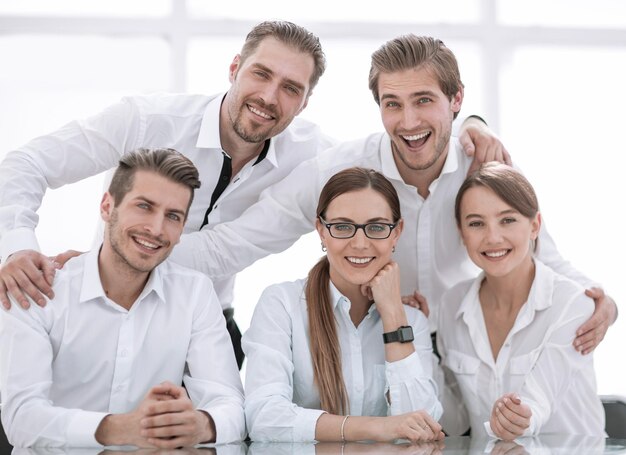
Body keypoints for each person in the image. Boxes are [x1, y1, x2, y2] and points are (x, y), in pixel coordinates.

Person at [0, 21, 504, 367]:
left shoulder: (316, 158)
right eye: (261, 74)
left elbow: (399, 165)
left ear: (306, 102)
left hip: (206, 325)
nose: (269, 97)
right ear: (234, 68)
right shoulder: (146, 120)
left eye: (291, 88)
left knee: (221, 431)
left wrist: (473, 124)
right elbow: (24, 165)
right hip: (105, 305)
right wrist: (20, 244)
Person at [159, 34, 617, 354]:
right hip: (374, 350)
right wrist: (116, 261)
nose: (409, 122)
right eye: (392, 104)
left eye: (423, 100)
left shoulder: (484, 165)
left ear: (456, 100)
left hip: (466, 347)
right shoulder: (340, 170)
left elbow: (541, 254)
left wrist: (601, 301)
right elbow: (233, 244)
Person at [0, 148, 245, 448]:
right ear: (107, 206)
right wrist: (121, 428)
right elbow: (21, 418)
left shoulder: (194, 293)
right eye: (144, 206)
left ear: (182, 229)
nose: (156, 229)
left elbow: (232, 406)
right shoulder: (40, 290)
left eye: (172, 216)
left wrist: (201, 424)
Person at [244, 167, 443, 443]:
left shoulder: (411, 321)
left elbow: (423, 426)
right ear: (321, 232)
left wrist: (393, 315)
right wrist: (377, 427)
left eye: (376, 227)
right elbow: (264, 417)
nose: (359, 244)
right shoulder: (282, 305)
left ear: (396, 233)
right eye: (342, 227)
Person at [437, 162, 605, 439]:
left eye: (508, 220)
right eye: (476, 223)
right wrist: (411, 337)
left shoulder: (572, 304)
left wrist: (518, 417)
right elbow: (454, 423)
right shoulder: (450, 304)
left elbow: (535, 406)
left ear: (535, 225)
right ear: (461, 232)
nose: (493, 237)